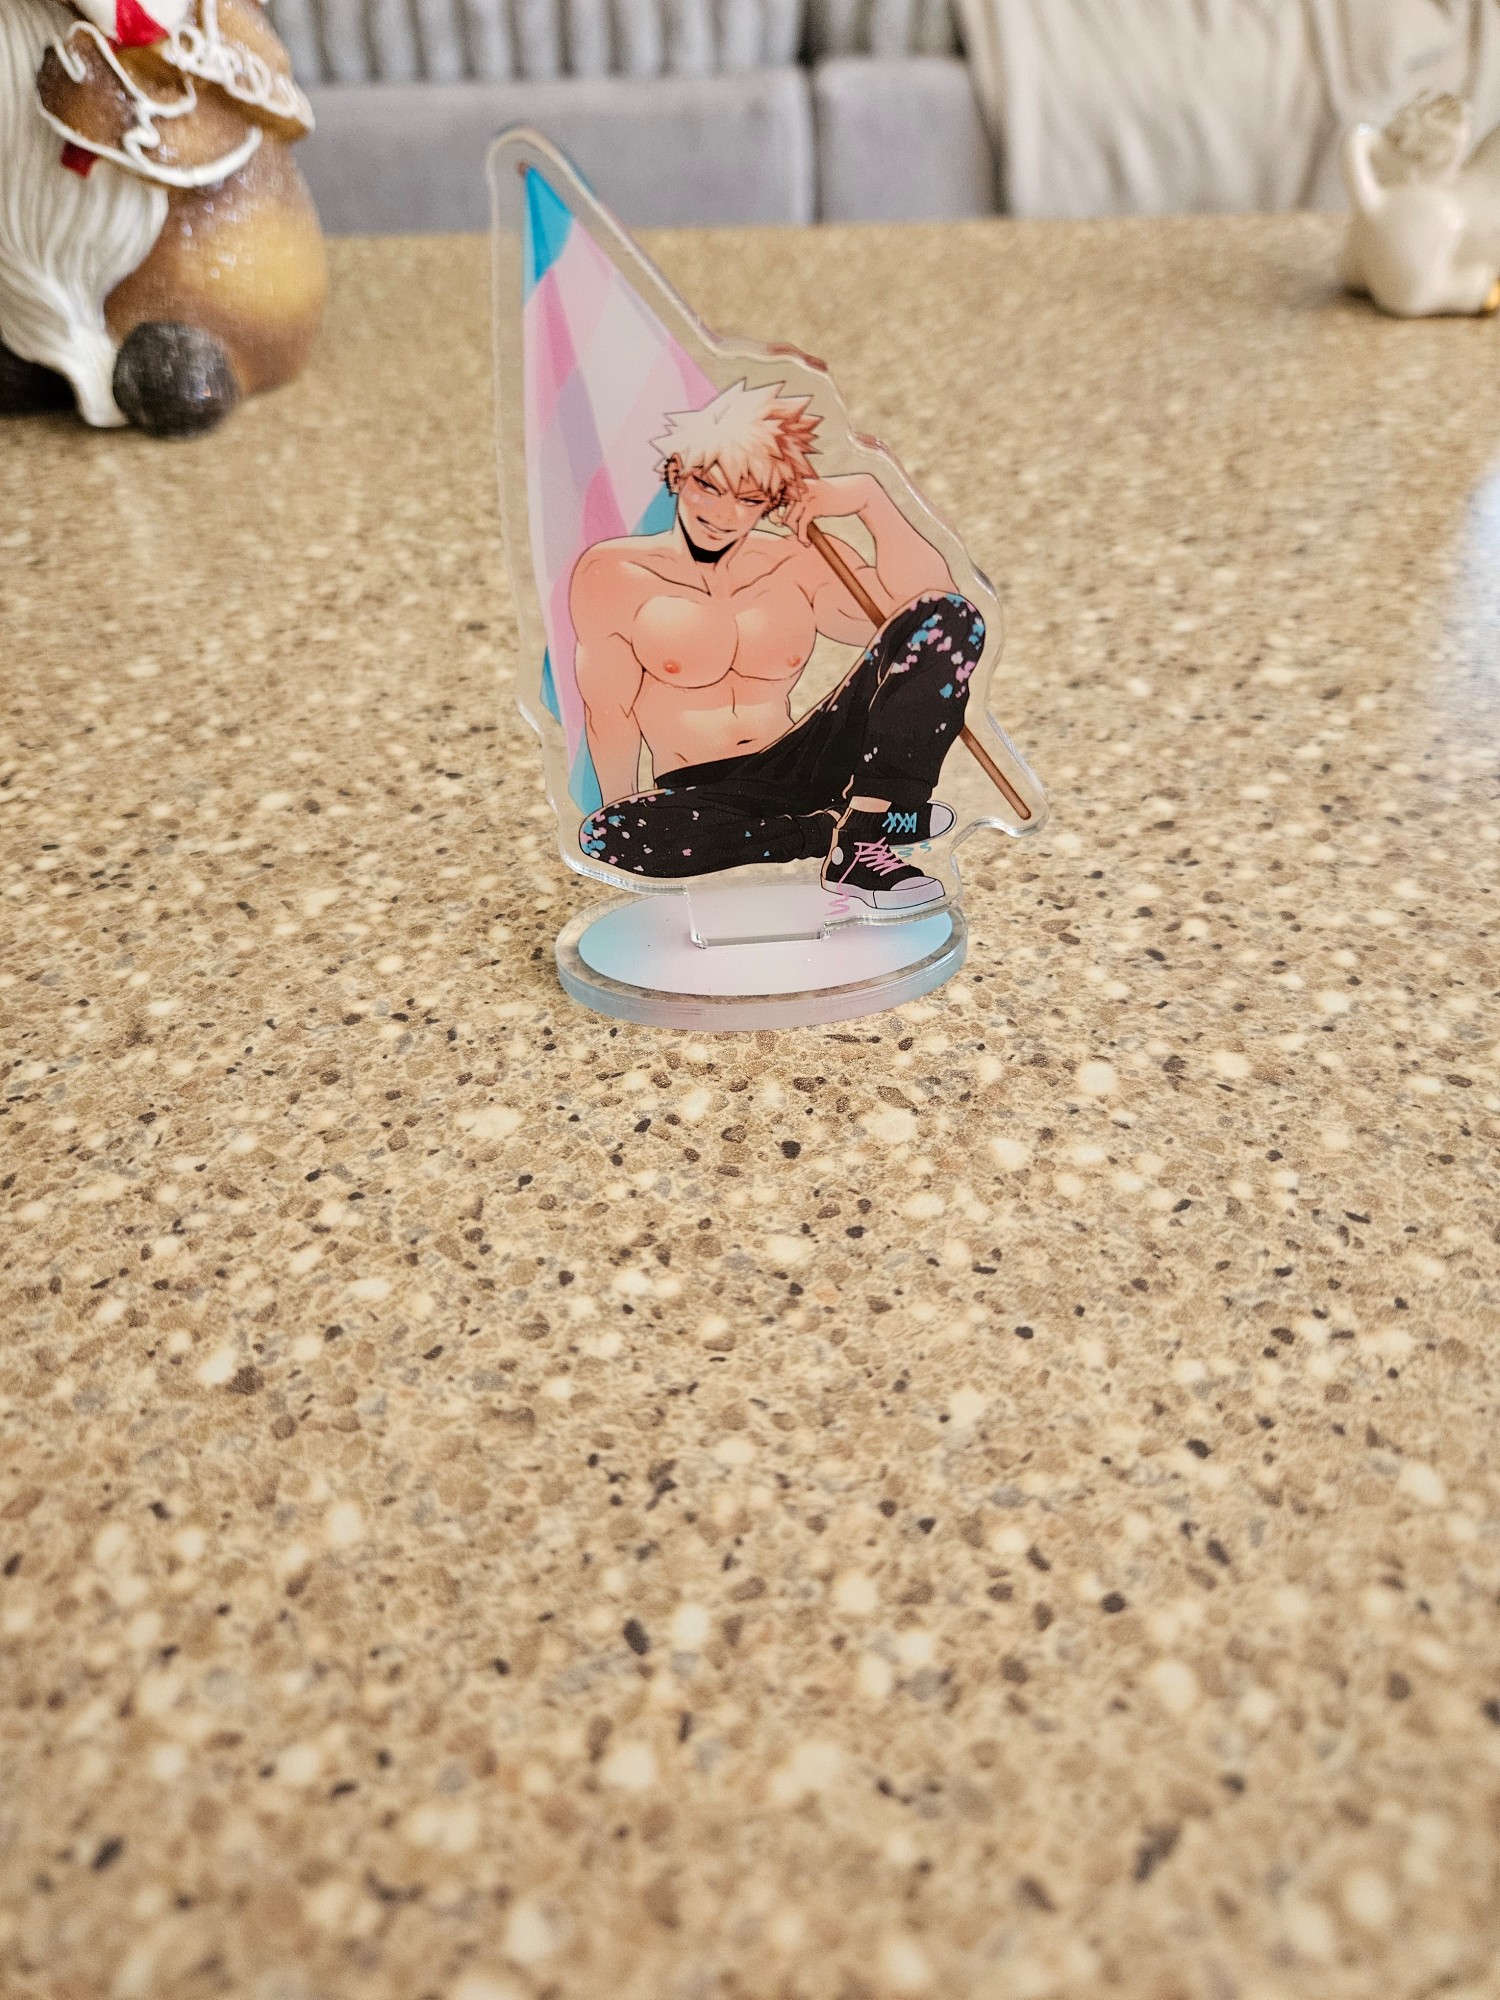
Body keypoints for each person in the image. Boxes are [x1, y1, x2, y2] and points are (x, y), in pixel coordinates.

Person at [570, 379, 985, 910]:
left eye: (749, 499)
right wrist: (623, 812)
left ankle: (866, 829)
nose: (724, 514)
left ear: (773, 500)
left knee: (951, 620)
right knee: (606, 834)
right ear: (676, 473)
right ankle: (850, 827)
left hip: (808, 764)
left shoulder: (799, 559)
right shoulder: (614, 572)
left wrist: (870, 500)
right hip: (701, 792)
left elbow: (931, 611)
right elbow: (609, 712)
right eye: (708, 486)